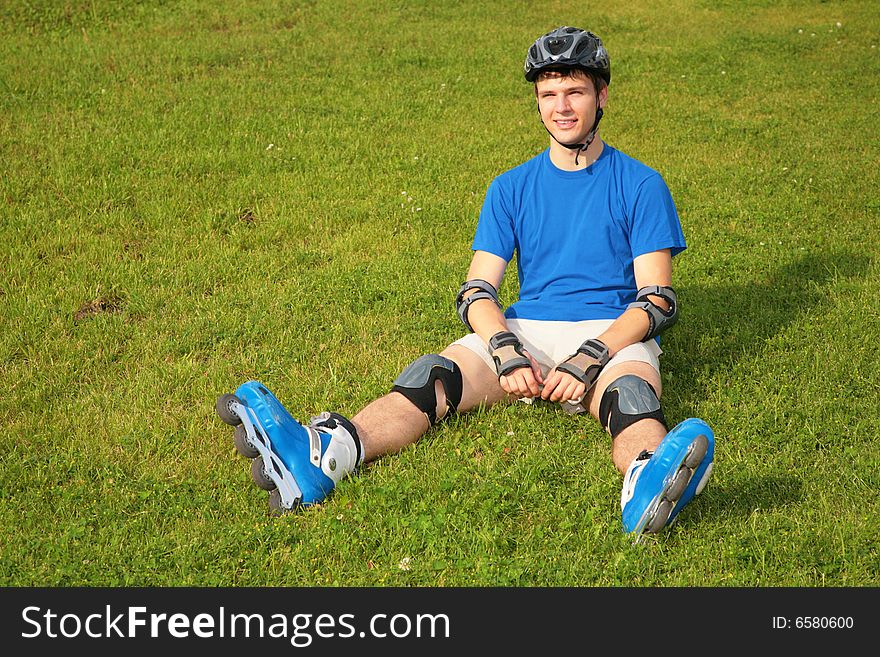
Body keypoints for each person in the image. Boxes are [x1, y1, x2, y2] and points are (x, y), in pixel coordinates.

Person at [216, 26, 715, 539]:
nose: (561, 107)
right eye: (549, 94)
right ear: (537, 102)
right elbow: (476, 291)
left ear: (601, 96)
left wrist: (591, 355)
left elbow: (656, 300)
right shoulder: (510, 187)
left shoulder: (640, 183)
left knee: (630, 396)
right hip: (529, 330)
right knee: (430, 376)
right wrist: (505, 350)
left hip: (610, 334)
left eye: (575, 91)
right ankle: (323, 457)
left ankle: (647, 483)